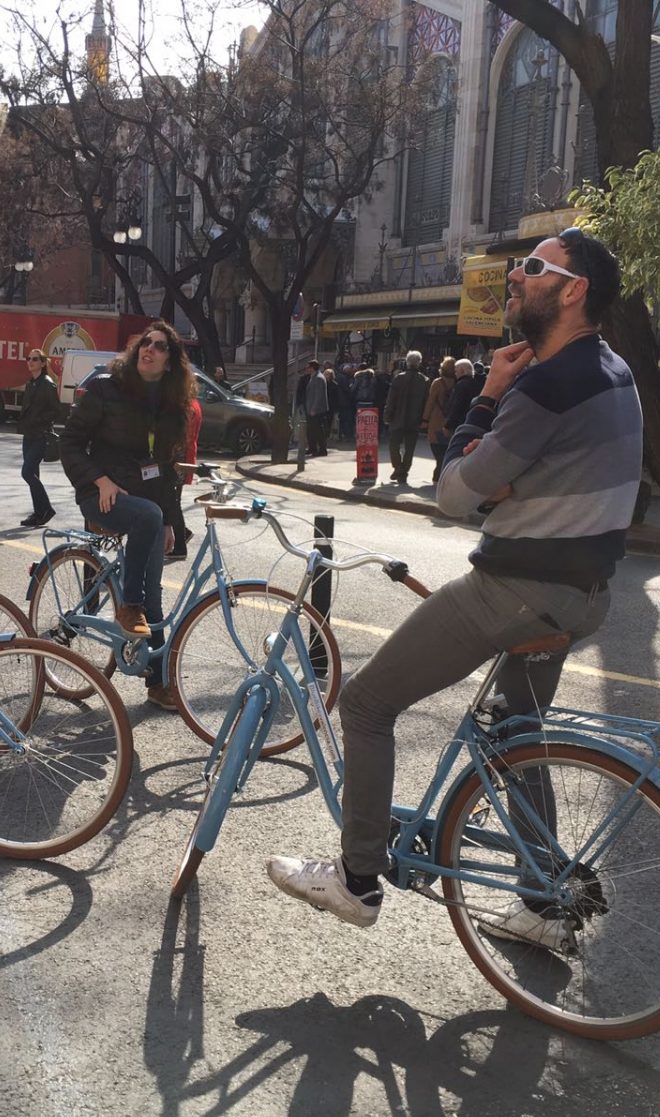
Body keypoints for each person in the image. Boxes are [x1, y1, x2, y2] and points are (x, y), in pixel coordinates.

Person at [268, 228, 640, 947]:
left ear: (574, 291)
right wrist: (503, 479)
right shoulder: (613, 371)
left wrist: (488, 397)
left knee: (367, 703)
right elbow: (547, 475)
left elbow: (454, 494)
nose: (515, 277)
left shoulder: (545, 385)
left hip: (517, 588)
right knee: (515, 733)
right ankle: (541, 901)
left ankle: (356, 878)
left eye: (533, 267)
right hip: (586, 593)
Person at [59, 321, 194, 710]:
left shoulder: (170, 407)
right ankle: (127, 606)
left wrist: (169, 521)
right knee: (142, 577)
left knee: (155, 593)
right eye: (145, 342)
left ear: (171, 362)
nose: (149, 349)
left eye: (160, 346)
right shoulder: (106, 388)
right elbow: (69, 443)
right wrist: (99, 480)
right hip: (101, 495)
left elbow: (165, 470)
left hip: (146, 507)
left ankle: (158, 682)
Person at [15, 349, 65, 527]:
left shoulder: (47, 383)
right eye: (28, 358)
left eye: (35, 359)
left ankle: (46, 509)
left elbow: (56, 411)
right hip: (28, 435)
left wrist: (39, 421)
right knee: (33, 474)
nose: (30, 361)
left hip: (40, 435)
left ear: (43, 363)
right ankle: (38, 513)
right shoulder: (31, 383)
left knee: (27, 472)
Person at [166, 394, 202, 562]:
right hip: (182, 457)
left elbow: (179, 435)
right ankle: (183, 533)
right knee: (174, 501)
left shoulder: (186, 407)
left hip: (178, 460)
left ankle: (180, 545)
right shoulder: (192, 403)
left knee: (173, 503)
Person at [383, 350, 428, 485]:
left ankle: (398, 468)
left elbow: (391, 399)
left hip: (398, 417)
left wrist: (387, 415)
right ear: (419, 363)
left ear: (407, 362)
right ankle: (403, 471)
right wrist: (424, 419)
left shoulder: (399, 378)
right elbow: (426, 401)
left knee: (393, 445)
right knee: (410, 448)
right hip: (415, 418)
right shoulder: (424, 380)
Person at [422, 357, 465, 483]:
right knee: (447, 448)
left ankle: (438, 475)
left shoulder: (438, 383)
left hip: (437, 420)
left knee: (437, 448)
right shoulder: (458, 383)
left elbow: (430, 402)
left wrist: (425, 420)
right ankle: (444, 473)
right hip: (451, 421)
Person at [304, 364, 330, 456]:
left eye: (308, 367)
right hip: (311, 407)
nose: (306, 369)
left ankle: (322, 449)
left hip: (317, 410)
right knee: (311, 429)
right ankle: (312, 448)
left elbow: (319, 395)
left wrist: (314, 408)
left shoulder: (319, 378)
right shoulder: (314, 377)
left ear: (312, 368)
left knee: (318, 430)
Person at [336, 364, 357, 442]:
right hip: (345, 401)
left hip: (340, 400)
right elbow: (346, 389)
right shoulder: (344, 378)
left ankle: (341, 434)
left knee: (342, 419)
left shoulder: (339, 376)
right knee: (347, 418)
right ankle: (347, 435)